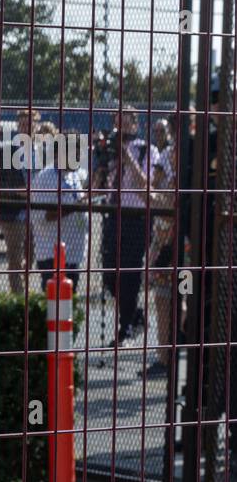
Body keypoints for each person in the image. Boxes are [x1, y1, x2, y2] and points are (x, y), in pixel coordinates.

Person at [94, 107, 157, 343]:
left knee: (129, 273)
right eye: (117, 123)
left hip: (136, 218)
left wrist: (127, 158)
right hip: (113, 216)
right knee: (110, 273)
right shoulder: (110, 150)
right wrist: (101, 163)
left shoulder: (145, 150)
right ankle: (135, 315)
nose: (120, 128)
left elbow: (147, 189)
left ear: (135, 125)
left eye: (126, 123)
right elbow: (98, 187)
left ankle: (125, 325)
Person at [29, 120, 89, 292]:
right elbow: (42, 217)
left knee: (69, 304)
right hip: (52, 253)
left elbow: (76, 199)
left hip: (73, 253)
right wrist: (74, 207)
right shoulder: (46, 177)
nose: (79, 158)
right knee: (54, 304)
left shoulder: (74, 176)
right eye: (75, 154)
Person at [144, 118, 180, 375]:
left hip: (180, 239)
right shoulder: (166, 155)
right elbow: (157, 189)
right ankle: (165, 354)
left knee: (175, 296)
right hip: (164, 236)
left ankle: (170, 354)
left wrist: (153, 193)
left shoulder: (194, 154)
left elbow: (166, 200)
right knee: (163, 297)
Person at [0, 108, 40, 294]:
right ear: (18, 126)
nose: (26, 128)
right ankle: (18, 295)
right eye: (23, 124)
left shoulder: (39, 151)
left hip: (34, 211)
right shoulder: (7, 151)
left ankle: (23, 288)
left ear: (36, 126)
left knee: (31, 254)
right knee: (14, 256)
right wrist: (18, 192)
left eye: (30, 124)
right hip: (13, 211)